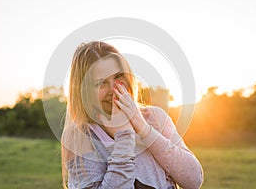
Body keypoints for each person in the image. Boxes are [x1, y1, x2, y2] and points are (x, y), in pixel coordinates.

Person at [61, 41, 203, 189]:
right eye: (101, 83)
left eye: (119, 76)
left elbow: (194, 180)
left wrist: (142, 126)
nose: (114, 89)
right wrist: (124, 137)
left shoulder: (154, 117)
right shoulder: (80, 136)